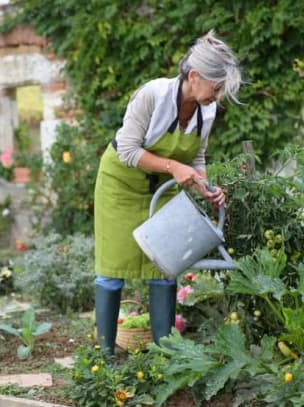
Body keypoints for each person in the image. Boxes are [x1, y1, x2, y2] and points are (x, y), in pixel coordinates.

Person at [93, 30, 242, 354]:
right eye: (216, 88)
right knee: (111, 270)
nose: (217, 96)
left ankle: (165, 354)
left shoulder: (207, 111)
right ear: (194, 76)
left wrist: (206, 187)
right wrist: (175, 168)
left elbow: (197, 157)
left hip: (163, 189)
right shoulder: (153, 96)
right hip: (121, 186)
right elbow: (128, 150)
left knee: (165, 265)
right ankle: (105, 355)